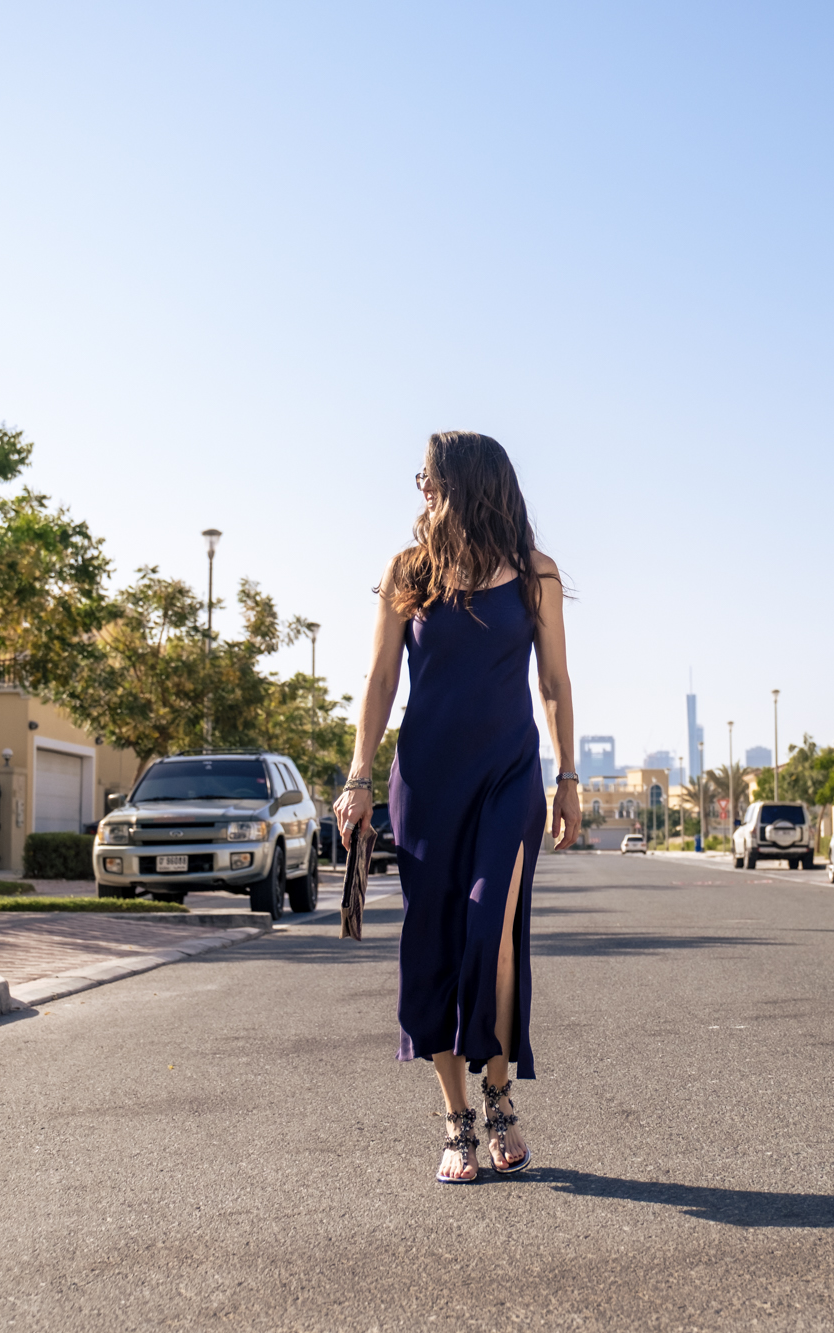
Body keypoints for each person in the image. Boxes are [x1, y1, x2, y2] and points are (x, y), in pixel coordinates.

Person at [334, 431, 582, 1185]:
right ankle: (457, 1118)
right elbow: (379, 683)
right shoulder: (408, 572)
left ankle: (500, 1095)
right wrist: (358, 776)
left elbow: (555, 683)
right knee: (435, 940)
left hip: (509, 776)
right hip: (428, 781)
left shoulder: (535, 574)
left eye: (430, 477)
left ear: (470, 483)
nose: (421, 490)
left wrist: (568, 775)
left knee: (492, 929)